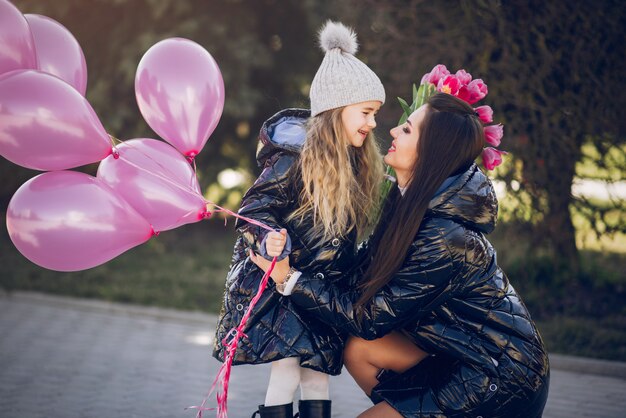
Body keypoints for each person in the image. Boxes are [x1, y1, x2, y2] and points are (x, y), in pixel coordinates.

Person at [250, 92, 550, 417]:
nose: (392, 131)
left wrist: (290, 279)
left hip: (499, 377)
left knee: (364, 338)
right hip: (457, 355)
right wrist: (308, 252)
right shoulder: (409, 199)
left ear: (430, 152)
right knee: (359, 350)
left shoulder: (445, 237)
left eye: (407, 130)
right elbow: (364, 274)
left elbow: (370, 318)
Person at [212, 21, 386, 418]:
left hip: (318, 287)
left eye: (375, 113)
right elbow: (255, 209)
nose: (373, 123)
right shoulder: (294, 157)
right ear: (337, 110)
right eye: (366, 112)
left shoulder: (354, 161)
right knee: (288, 371)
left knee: (316, 375)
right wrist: (269, 237)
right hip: (283, 281)